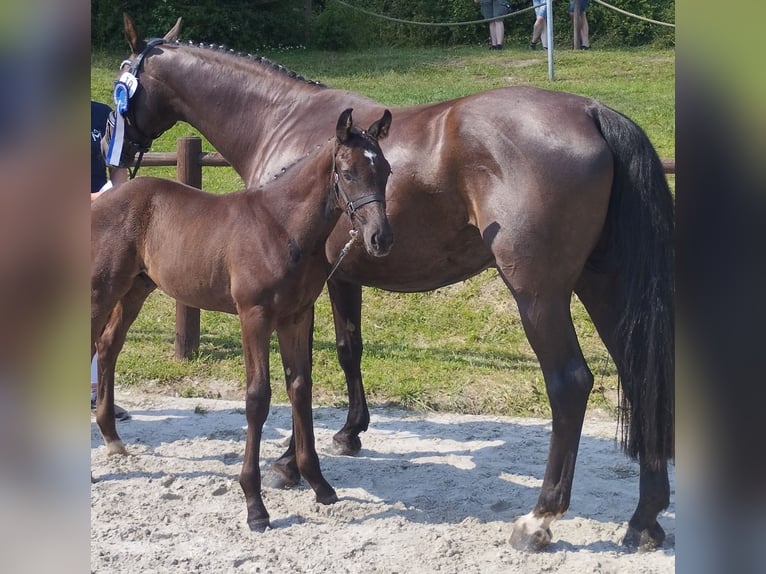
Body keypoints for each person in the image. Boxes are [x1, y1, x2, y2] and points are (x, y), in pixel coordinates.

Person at [91, 100, 130, 421]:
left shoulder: (104, 115)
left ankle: (95, 394)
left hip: (96, 223)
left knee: (98, 305)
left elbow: (119, 174)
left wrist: (110, 200)